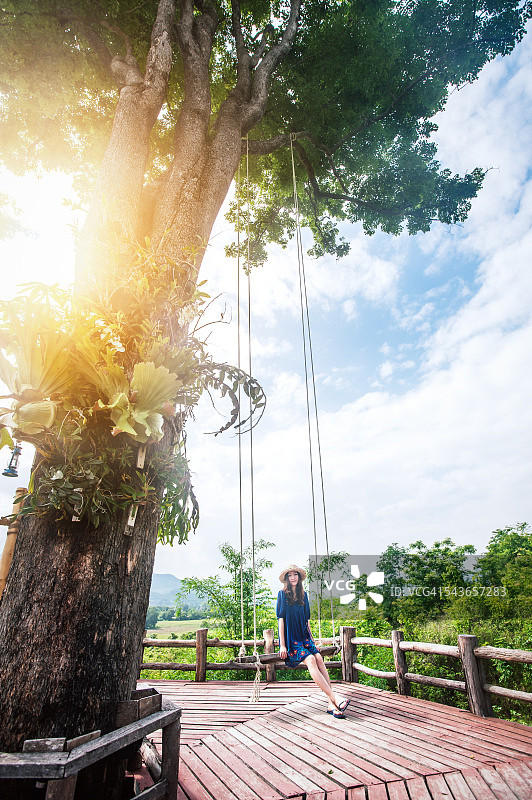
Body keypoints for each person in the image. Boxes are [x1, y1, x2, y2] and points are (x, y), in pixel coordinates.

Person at [277, 563, 350, 718]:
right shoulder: (282, 594)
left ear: (299, 577)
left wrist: (312, 640)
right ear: (286, 578)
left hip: (304, 637)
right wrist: (283, 645)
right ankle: (335, 697)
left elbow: (306, 621)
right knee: (310, 659)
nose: (293, 577)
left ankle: (331, 704)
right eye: (289, 575)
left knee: (318, 658)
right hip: (291, 639)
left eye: (295, 574)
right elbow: (281, 620)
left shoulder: (304, 595)